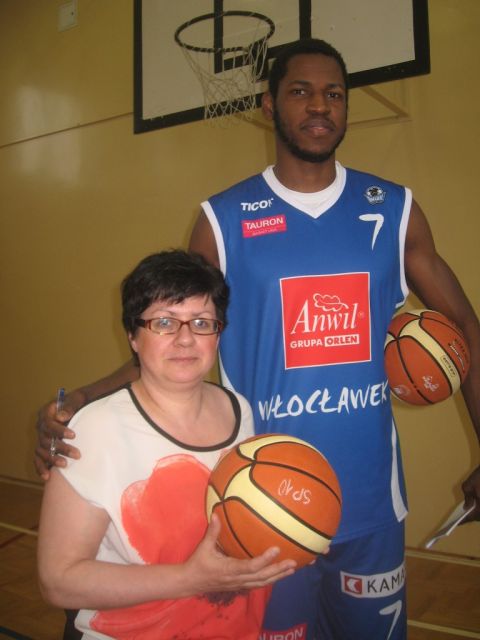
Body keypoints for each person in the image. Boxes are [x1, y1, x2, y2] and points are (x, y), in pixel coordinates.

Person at [35, 40, 480, 640]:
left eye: (333, 94)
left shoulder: (394, 209)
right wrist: (82, 402)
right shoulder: (223, 219)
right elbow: (172, 336)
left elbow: (466, 329)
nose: (319, 106)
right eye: (300, 92)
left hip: (372, 500)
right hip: (261, 504)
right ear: (270, 106)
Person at [37, 249, 296, 640]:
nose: (186, 338)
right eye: (164, 322)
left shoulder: (238, 410)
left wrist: (294, 534)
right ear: (133, 336)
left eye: (202, 322)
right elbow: (58, 581)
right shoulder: (94, 429)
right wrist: (189, 579)